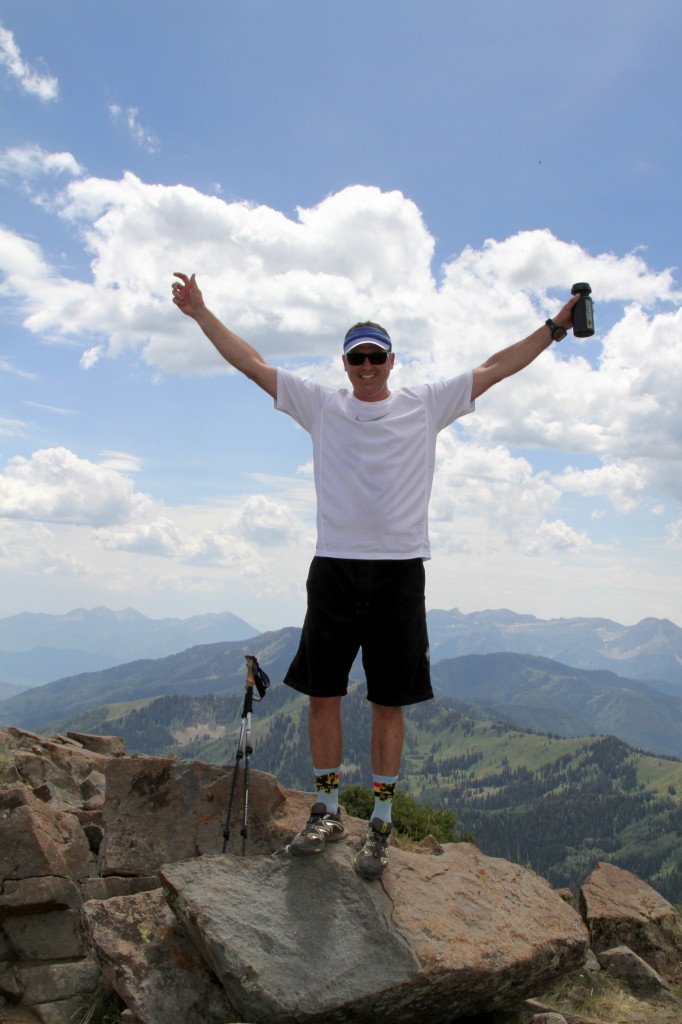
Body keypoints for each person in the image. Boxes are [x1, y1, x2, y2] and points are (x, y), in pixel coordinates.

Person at [172, 271, 579, 879]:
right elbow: (252, 363)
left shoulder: (425, 404)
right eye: (357, 357)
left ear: (391, 361)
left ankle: (381, 823)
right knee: (324, 696)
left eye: (376, 356)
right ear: (345, 363)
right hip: (334, 566)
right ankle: (329, 811)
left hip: (398, 573)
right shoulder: (321, 404)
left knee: (390, 702)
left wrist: (554, 327)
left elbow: (497, 366)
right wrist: (203, 313)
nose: (367, 366)